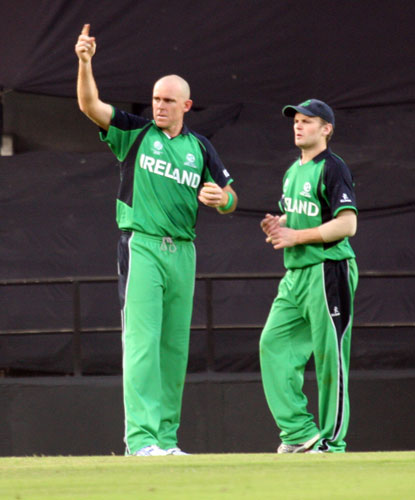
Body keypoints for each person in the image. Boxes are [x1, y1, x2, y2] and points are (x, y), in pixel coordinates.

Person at [75, 24, 237, 456]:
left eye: (168, 100)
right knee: (142, 344)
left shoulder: (200, 147)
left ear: (186, 105)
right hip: (142, 244)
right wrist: (85, 62)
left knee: (173, 349)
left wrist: (222, 199)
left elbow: (230, 197)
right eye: (155, 99)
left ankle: (166, 439)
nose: (159, 106)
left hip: (183, 250)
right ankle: (141, 440)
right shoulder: (134, 132)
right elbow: (90, 105)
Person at [259, 99, 358, 453]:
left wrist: (296, 235)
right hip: (296, 274)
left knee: (330, 357)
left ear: (326, 129)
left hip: (328, 269)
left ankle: (331, 443)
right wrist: (279, 224)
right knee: (273, 344)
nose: (298, 126)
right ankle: (300, 433)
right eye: (296, 121)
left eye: (307, 121)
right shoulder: (292, 172)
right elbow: (301, 214)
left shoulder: (333, 167)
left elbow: (347, 224)